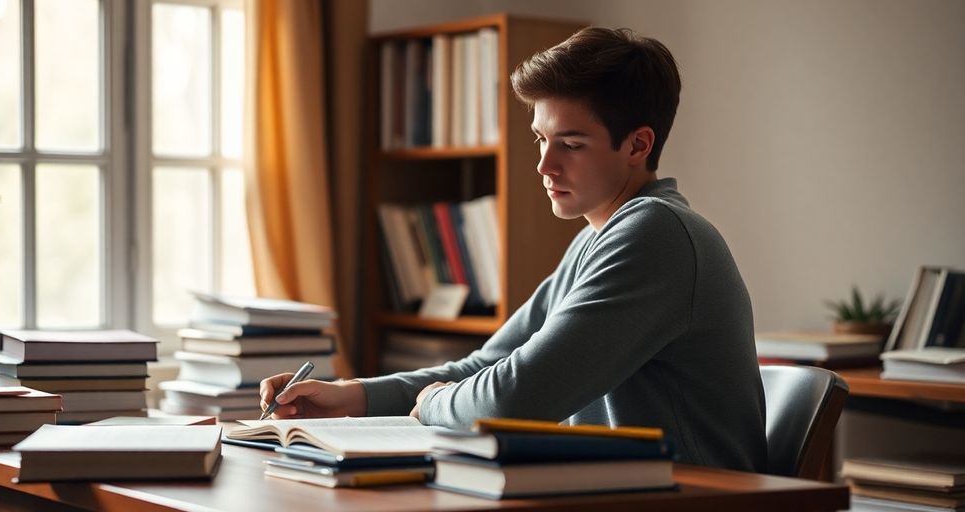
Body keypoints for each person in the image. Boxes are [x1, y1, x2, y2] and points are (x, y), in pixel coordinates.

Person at [260, 27, 767, 472]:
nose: (545, 166)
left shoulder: (656, 235)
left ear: (637, 146)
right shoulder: (598, 238)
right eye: (539, 140)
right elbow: (486, 366)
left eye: (570, 144)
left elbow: (515, 396)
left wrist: (434, 403)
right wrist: (352, 395)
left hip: (699, 499)